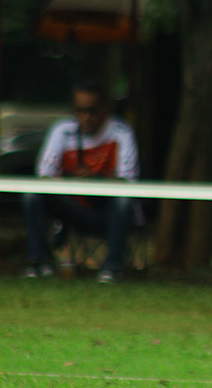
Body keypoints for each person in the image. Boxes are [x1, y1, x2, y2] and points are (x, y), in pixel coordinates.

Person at [21, 80, 140, 283]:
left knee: (123, 200)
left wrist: (95, 181)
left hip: (107, 211)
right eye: (80, 110)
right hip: (73, 208)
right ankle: (40, 263)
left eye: (92, 111)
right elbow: (44, 176)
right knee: (32, 195)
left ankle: (113, 268)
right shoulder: (62, 130)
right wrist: (70, 179)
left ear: (104, 110)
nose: (86, 117)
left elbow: (128, 179)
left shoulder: (121, 132)